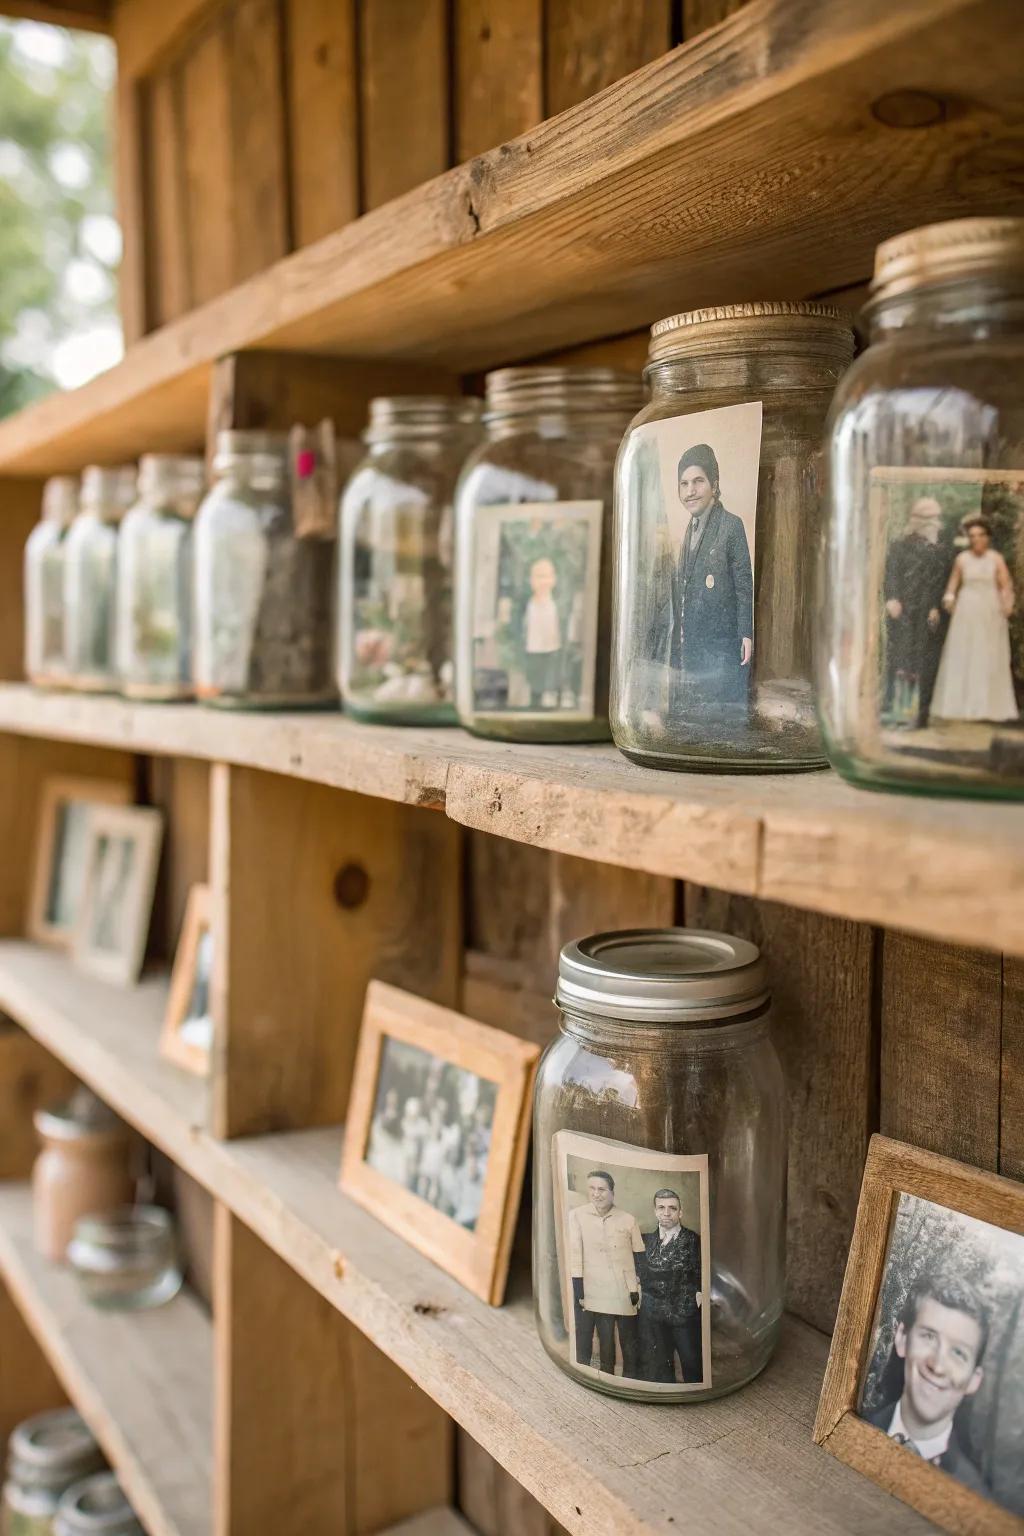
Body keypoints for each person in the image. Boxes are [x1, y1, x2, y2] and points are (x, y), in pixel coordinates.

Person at [862, 1272, 991, 1496]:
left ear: (973, 1380)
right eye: (929, 1337)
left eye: (958, 1353)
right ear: (902, 1338)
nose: (938, 1366)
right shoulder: (856, 1423)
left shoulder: (975, 1497)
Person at [669, 444, 753, 705]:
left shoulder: (730, 525)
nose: (690, 491)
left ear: (714, 485)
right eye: (683, 484)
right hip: (693, 646)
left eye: (698, 481)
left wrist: (746, 634)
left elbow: (744, 586)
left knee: (719, 715)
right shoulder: (689, 529)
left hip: (722, 649)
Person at [930, 517, 1018, 723]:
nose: (976, 539)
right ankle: (961, 705)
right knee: (965, 653)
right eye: (972, 536)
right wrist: (949, 598)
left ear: (987, 537)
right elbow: (953, 584)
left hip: (990, 610)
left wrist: (1007, 604)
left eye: (980, 535)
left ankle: (987, 706)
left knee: (988, 654)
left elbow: (1006, 585)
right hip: (967, 610)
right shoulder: (962, 559)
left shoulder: (996, 558)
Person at [568, 1171, 645, 1377]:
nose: (596, 1194)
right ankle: (607, 1377)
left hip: (625, 1290)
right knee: (605, 1340)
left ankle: (631, 1380)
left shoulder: (628, 1219)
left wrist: (635, 1288)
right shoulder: (577, 1215)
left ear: (612, 1192)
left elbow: (639, 1258)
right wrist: (579, 1291)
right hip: (596, 1291)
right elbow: (575, 1257)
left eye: (601, 1189)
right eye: (592, 1188)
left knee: (629, 1340)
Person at [883, 496, 949, 726]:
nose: (931, 522)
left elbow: (941, 582)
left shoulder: (940, 550)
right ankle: (896, 712)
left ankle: (921, 714)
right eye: (925, 517)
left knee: (924, 663)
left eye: (934, 517)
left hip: (927, 614)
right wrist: (892, 598)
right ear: (915, 519)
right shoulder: (899, 545)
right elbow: (891, 572)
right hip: (903, 611)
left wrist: (935, 607)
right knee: (901, 660)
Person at [637, 1189, 703, 1384]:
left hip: (684, 1314)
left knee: (692, 1364)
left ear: (680, 1213)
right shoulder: (645, 1240)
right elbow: (639, 1273)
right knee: (659, 1367)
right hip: (653, 1316)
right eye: (661, 1208)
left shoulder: (694, 1240)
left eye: (672, 1208)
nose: (667, 1213)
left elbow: (701, 1274)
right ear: (655, 1211)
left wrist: (698, 1296)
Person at [522, 556, 563, 709]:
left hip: (553, 653)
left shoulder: (558, 606)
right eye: (539, 576)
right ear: (531, 580)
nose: (543, 582)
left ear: (554, 579)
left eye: (547, 576)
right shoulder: (526, 606)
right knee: (534, 690)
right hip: (532, 654)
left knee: (552, 691)